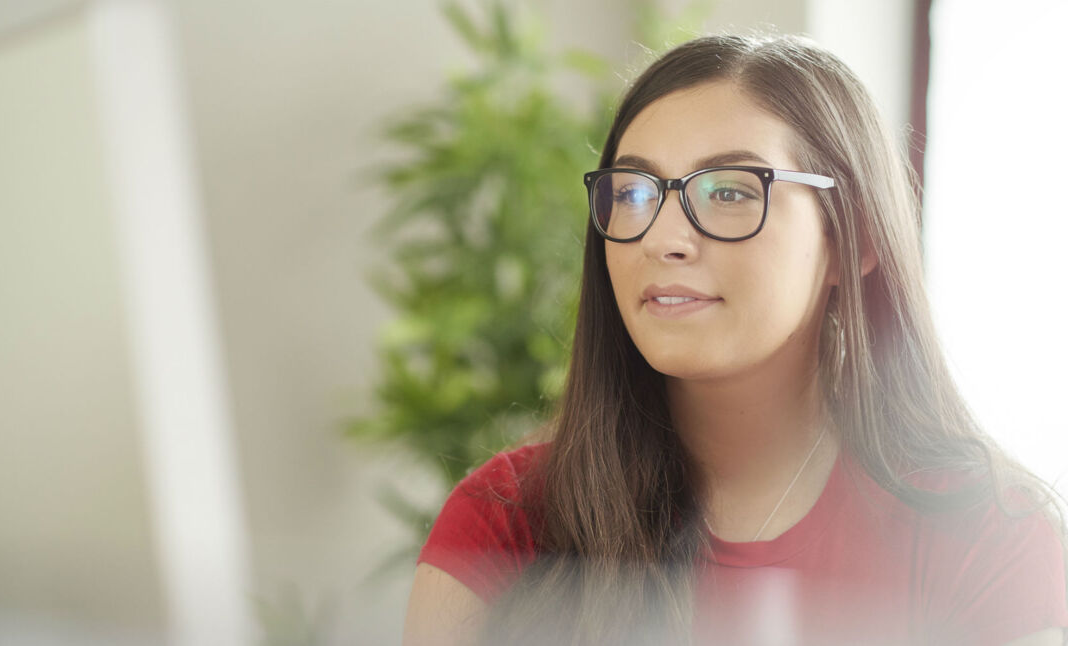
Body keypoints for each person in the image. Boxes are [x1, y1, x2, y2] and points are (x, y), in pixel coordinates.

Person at [401, 34, 1068, 646]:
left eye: (727, 192)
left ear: (855, 237)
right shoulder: (504, 524)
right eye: (633, 193)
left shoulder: (989, 536)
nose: (663, 238)